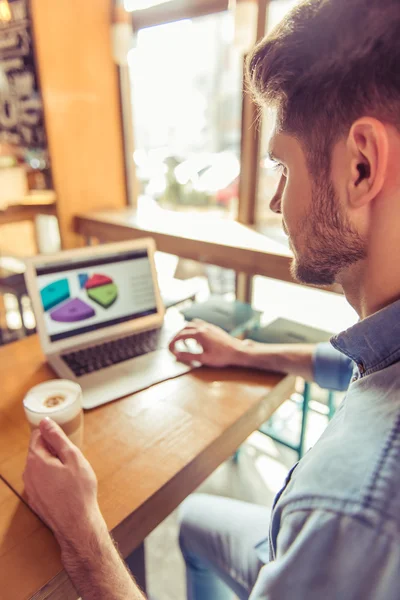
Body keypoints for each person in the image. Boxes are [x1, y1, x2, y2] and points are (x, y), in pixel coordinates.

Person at [23, 0, 400, 597]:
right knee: (196, 523)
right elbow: (364, 366)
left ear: (361, 167)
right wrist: (249, 353)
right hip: (291, 543)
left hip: (313, 545)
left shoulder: (348, 511)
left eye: (282, 166)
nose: (276, 202)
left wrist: (82, 532)